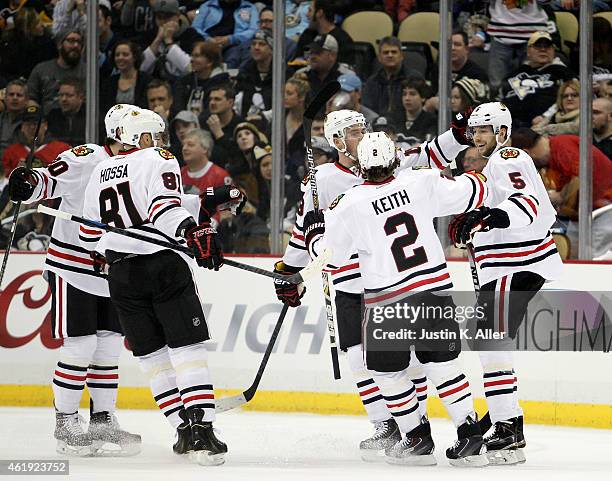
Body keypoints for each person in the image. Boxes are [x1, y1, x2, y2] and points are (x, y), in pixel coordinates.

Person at [302, 131, 489, 466]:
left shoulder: (349, 204)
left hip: (388, 301)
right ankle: (469, 433)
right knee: (444, 367)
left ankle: (416, 439)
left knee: (388, 375)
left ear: (361, 165)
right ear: (394, 160)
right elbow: (474, 191)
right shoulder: (422, 182)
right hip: (435, 292)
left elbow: (330, 260)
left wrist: (315, 232)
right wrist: (478, 174)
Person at [79, 107, 229, 465]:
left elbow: (88, 235)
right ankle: (202, 431)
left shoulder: (99, 170)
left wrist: (113, 248)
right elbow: (164, 208)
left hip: (121, 276)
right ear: (143, 138)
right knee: (187, 349)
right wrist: (193, 231)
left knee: (152, 357)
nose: (163, 143)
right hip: (162, 266)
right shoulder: (157, 157)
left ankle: (181, 430)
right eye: (157, 136)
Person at [6, 103, 143, 457]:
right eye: (143, 134)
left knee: (108, 346)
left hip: (112, 270)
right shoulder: (88, 158)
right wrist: (28, 182)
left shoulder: (142, 167)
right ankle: (66, 423)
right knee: (80, 345)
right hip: (73, 268)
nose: (149, 141)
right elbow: (50, 179)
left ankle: (102, 419)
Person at [448, 102, 564, 465]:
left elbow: (527, 203)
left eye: (484, 130)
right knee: (490, 338)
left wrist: (488, 217)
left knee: (489, 337)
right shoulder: (495, 164)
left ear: (501, 131)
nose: (476, 137)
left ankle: (507, 426)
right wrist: (476, 223)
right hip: (512, 264)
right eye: (474, 131)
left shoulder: (508, 156)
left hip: (518, 263)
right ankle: (503, 420)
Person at [500, 31, 575, 128]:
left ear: (553, 50)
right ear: (528, 51)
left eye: (547, 46)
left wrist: (546, 116)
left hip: (542, 125)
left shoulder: (564, 73)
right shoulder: (515, 74)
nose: (543, 49)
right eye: (538, 46)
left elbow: (574, 98)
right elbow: (499, 97)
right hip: (507, 125)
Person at [362, 36, 424, 122]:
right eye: (386, 52)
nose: (390, 55)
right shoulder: (372, 81)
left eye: (394, 52)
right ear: (379, 58)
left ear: (401, 56)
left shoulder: (414, 78)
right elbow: (367, 110)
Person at [141, 0, 203, 81]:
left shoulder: (192, 35)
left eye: (168, 17)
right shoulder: (151, 34)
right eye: (159, 17)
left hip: (184, 85)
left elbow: (191, 68)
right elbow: (141, 69)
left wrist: (169, 42)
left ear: (178, 16)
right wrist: (157, 40)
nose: (163, 22)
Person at [27, 29, 86, 114]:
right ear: (59, 45)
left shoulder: (88, 72)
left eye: (79, 42)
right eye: (71, 41)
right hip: (46, 122)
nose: (76, 45)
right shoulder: (41, 69)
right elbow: (30, 99)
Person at [191, 0, 259, 69]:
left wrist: (231, 39)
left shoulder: (250, 8)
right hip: (208, 42)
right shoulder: (207, 6)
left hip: (234, 44)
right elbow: (195, 27)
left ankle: (225, 76)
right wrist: (207, 39)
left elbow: (254, 30)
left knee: (234, 57)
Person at [2, 105, 70, 173]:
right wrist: (16, 172)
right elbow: (4, 178)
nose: (32, 127)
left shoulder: (62, 149)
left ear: (46, 125)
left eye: (36, 124)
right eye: (28, 124)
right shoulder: (11, 152)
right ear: (22, 127)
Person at [173, 41, 230, 115]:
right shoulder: (184, 81)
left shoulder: (222, 84)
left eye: (196, 56)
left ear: (210, 62)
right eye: (192, 55)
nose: (191, 59)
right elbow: (177, 108)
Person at [293, 34, 356, 98]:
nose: (312, 56)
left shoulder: (347, 76)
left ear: (332, 55)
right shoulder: (301, 75)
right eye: (311, 52)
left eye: (317, 52)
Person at [294, 0, 354, 65]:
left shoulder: (342, 40)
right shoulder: (307, 34)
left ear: (320, 13)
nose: (307, 14)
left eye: (310, 11)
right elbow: (295, 63)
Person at [100, 40, 152, 116]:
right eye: (117, 55)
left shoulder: (146, 81)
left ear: (134, 57)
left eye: (125, 54)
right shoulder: (108, 83)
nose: (120, 58)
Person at [200, 84, 244, 167]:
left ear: (230, 102)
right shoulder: (203, 122)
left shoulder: (240, 125)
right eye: (211, 99)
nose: (212, 103)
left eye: (217, 99)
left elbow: (237, 157)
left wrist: (219, 134)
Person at [234, 29, 273, 120]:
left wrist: (263, 117)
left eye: (262, 44)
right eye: (253, 44)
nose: (256, 47)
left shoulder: (282, 74)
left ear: (271, 49)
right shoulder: (244, 72)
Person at [181, 128, 232, 194]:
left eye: (190, 145)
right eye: (183, 145)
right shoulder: (179, 174)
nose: (184, 148)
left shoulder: (220, 176)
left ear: (205, 148)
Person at [395, 77, 437, 145]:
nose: (407, 98)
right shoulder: (394, 119)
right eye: (404, 94)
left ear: (423, 97)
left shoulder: (432, 121)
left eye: (412, 94)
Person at [46, 77, 86, 146]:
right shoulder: (52, 117)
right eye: (61, 95)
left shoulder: (92, 117)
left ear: (80, 97)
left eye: (69, 95)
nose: (63, 99)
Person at [0, 79, 29, 157]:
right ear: (5, 98)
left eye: (19, 95)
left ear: (26, 100)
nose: (15, 98)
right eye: (11, 94)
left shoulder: (31, 123)